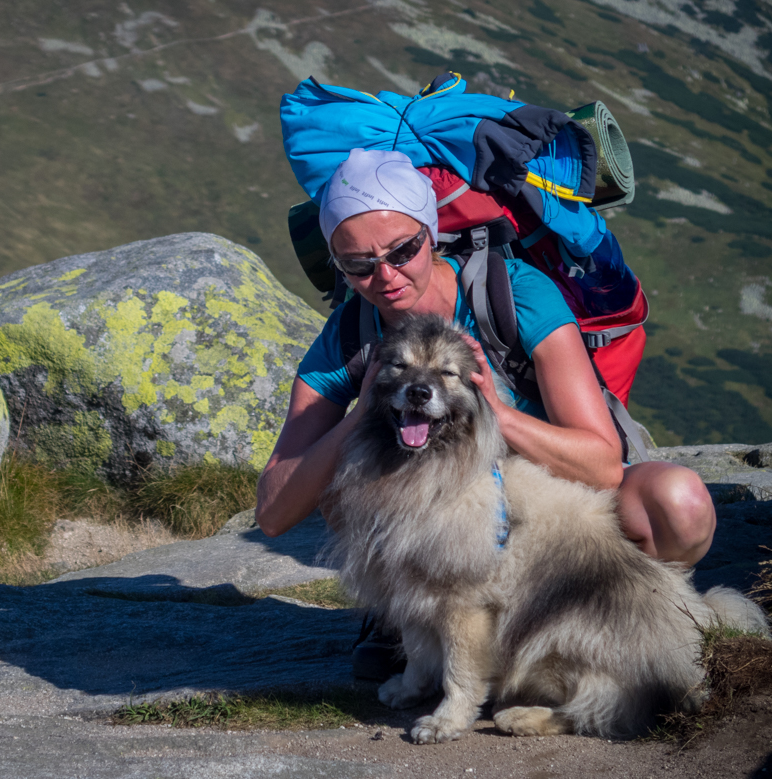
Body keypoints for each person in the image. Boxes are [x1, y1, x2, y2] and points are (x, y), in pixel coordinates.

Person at [254, 149, 716, 675]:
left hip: (551, 518)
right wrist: (362, 414)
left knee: (679, 503)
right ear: (338, 264)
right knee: (340, 480)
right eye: (358, 264)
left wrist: (497, 412)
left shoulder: (513, 295)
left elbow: (603, 465)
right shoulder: (348, 336)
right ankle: (409, 617)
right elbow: (273, 512)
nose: (385, 277)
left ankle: (655, 615)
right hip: (438, 528)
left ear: (430, 232)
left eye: (403, 251)